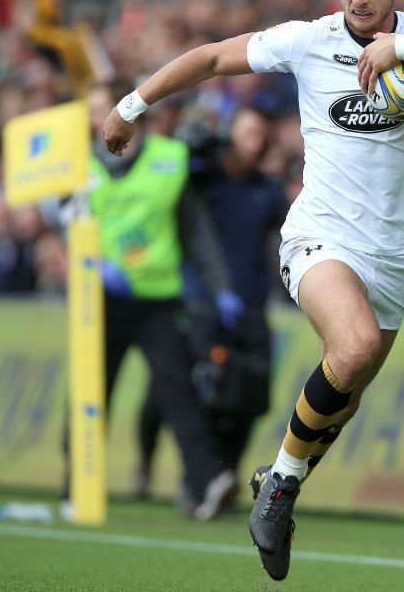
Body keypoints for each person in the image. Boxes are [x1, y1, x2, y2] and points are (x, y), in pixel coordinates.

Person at [101, 0, 404, 581]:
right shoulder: (309, 40)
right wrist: (132, 104)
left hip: (393, 255)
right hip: (320, 236)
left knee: (347, 393)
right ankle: (281, 487)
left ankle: (277, 473)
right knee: (355, 347)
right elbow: (209, 58)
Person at [63, 82, 240, 521]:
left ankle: (209, 481)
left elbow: (195, 232)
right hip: (99, 300)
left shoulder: (169, 160)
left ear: (127, 113)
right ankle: (75, 487)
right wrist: (91, 262)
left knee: (177, 392)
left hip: (159, 299)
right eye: (89, 111)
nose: (91, 119)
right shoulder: (77, 166)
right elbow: (62, 225)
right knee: (91, 390)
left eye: (99, 109)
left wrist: (221, 287)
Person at [135, 106, 289, 518]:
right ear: (229, 136)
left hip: (248, 305)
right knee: (195, 393)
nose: (253, 141)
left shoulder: (266, 189)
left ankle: (223, 476)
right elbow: (175, 181)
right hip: (200, 301)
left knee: (249, 397)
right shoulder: (203, 178)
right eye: (246, 131)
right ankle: (194, 477)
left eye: (260, 134)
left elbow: (289, 233)